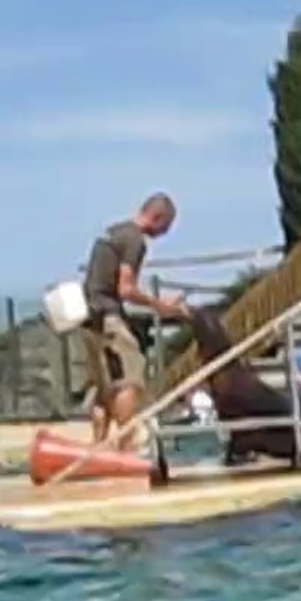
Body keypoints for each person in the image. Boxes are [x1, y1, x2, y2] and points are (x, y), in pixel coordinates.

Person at [81, 192, 188, 451]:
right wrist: (161, 307)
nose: (164, 233)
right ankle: (126, 445)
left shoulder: (112, 232)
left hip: (89, 318)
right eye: (166, 227)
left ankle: (98, 447)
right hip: (109, 318)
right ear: (158, 217)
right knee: (130, 379)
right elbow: (126, 289)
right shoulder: (134, 240)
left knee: (104, 386)